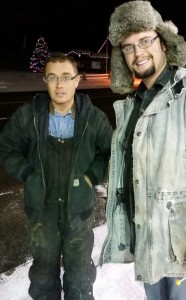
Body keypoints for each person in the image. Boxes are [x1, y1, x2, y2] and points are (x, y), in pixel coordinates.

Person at [99, 1, 186, 300]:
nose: (138, 53)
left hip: (184, 246)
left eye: (145, 41)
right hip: (148, 243)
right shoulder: (134, 104)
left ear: (163, 41)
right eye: (128, 47)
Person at [0, 52, 113, 300]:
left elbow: (112, 152)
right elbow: (5, 147)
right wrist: (28, 173)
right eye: (52, 77)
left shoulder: (93, 119)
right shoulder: (28, 116)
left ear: (77, 80)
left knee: (79, 273)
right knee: (42, 273)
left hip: (79, 211)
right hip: (42, 211)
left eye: (66, 77)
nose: (59, 84)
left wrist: (91, 176)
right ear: (45, 81)